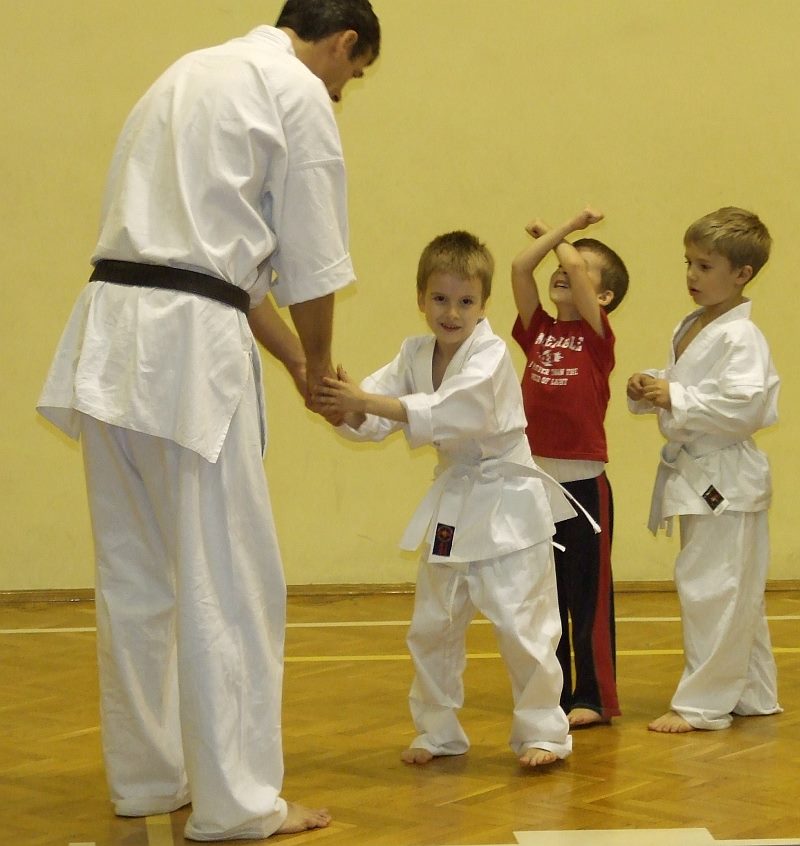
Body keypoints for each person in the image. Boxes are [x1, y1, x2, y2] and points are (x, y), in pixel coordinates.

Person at [36, 0, 380, 840]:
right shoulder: (295, 90)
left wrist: (295, 366)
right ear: (343, 42)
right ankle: (238, 803)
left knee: (137, 573)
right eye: (354, 74)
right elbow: (310, 266)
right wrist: (321, 362)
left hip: (113, 330)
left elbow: (224, 266)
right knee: (229, 577)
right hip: (188, 347)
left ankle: (149, 778)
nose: (343, 91)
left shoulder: (185, 73)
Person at [318, 231, 575, 768]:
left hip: (508, 504)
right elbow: (374, 414)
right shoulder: (414, 353)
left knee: (523, 625)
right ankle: (437, 732)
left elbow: (453, 410)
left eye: (464, 301)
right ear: (421, 299)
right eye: (440, 298)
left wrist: (364, 400)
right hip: (455, 501)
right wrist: (343, 406)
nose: (451, 312)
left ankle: (543, 732)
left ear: (483, 305)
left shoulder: (491, 354)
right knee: (433, 625)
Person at [627, 206, 781, 733]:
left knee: (715, 588)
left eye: (705, 266)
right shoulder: (693, 324)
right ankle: (753, 693)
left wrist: (675, 395)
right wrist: (650, 385)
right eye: (688, 263)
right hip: (698, 474)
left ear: (742, 274)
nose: (692, 275)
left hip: (725, 476)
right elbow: (690, 383)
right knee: (732, 589)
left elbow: (745, 406)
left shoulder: (743, 336)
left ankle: (703, 705)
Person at [510, 207, 628, 728]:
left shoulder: (598, 339)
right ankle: (553, 693)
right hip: (537, 483)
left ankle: (595, 697)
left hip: (583, 486)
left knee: (588, 598)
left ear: (604, 298)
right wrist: (557, 236)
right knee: (547, 597)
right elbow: (520, 268)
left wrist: (566, 231)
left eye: (576, 267)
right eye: (558, 264)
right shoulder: (537, 330)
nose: (563, 269)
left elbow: (575, 267)